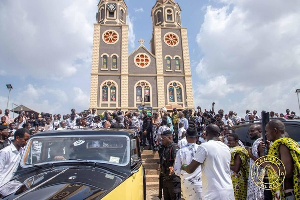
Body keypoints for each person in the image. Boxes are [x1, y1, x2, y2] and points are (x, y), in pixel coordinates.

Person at [181, 124, 234, 200]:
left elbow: (190, 169)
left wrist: (183, 166)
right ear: (219, 134)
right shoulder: (226, 147)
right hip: (229, 191)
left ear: (205, 133)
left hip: (213, 193)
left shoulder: (204, 147)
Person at [261, 120, 300, 199]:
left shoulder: (282, 144)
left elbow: (287, 171)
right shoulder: (289, 142)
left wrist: (266, 164)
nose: (266, 134)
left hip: (287, 193)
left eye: (267, 131)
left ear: (275, 131)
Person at [174, 128, 202, 200]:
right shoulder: (202, 149)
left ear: (186, 137)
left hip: (186, 183)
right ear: (196, 138)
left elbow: (177, 171)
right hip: (200, 183)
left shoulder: (180, 151)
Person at [159, 130, 181, 200]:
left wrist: (173, 169)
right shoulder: (164, 148)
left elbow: (177, 161)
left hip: (173, 180)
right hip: (166, 179)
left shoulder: (174, 147)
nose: (162, 140)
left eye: (163, 138)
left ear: (170, 137)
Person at [227, 133, 249, 200]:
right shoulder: (234, 149)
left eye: (230, 140)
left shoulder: (238, 152)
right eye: (228, 140)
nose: (228, 142)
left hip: (237, 179)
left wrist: (226, 164)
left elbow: (236, 168)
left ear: (236, 141)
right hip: (234, 178)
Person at [246, 124, 264, 200]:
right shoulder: (256, 142)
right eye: (249, 131)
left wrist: (251, 155)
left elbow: (263, 163)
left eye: (252, 131)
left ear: (260, 131)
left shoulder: (261, 143)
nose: (250, 133)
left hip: (259, 177)